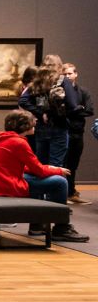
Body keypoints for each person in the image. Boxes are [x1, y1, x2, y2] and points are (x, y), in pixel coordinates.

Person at [0, 110, 88, 242]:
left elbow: (23, 166)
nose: (36, 122)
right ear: (24, 126)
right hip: (4, 186)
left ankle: (37, 225)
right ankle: (61, 228)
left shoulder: (0, 138)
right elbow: (39, 170)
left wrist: (49, 168)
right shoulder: (19, 143)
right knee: (60, 182)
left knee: (34, 177)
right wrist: (57, 170)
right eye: (33, 121)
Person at [20, 56, 77, 168]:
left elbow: (23, 100)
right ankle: (56, 185)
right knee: (56, 166)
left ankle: (42, 186)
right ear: (59, 67)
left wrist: (41, 114)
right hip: (59, 126)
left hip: (41, 127)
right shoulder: (63, 80)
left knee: (41, 165)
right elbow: (72, 105)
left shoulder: (38, 81)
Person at [62, 63, 92, 204]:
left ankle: (72, 192)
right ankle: (63, 193)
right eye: (65, 74)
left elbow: (90, 110)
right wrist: (78, 109)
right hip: (64, 132)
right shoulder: (60, 91)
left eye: (70, 73)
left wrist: (73, 110)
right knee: (63, 163)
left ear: (76, 74)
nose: (67, 76)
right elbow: (62, 112)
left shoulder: (83, 92)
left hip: (78, 132)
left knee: (74, 164)